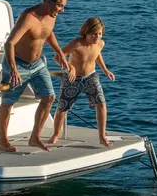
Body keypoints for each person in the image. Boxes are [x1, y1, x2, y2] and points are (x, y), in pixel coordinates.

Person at [0, 0, 74, 152]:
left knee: (49, 97)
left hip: (38, 64)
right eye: (59, 6)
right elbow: (9, 43)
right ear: (48, 2)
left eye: (63, 6)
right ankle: (3, 142)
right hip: (17, 64)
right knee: (8, 103)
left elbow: (47, 32)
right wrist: (13, 69)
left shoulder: (51, 15)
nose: (62, 10)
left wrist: (59, 53)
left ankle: (35, 138)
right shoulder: (28, 17)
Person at [48, 17, 115, 147]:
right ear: (86, 32)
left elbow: (97, 55)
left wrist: (105, 70)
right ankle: (56, 134)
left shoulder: (100, 43)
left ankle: (102, 136)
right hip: (73, 79)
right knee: (63, 107)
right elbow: (57, 57)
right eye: (94, 34)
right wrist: (69, 67)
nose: (97, 37)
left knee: (101, 104)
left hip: (91, 76)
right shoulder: (77, 43)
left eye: (99, 33)